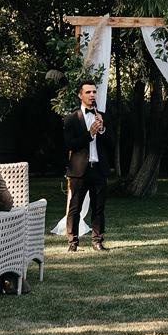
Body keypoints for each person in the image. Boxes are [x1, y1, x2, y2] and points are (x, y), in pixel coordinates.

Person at [61, 81, 110, 252]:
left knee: (99, 207)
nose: (92, 95)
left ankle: (97, 241)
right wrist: (90, 134)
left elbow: (111, 143)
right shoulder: (71, 119)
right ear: (80, 95)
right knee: (75, 207)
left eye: (94, 92)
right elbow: (70, 144)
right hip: (79, 170)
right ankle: (72, 243)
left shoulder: (102, 115)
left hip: (98, 168)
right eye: (88, 92)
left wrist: (102, 129)